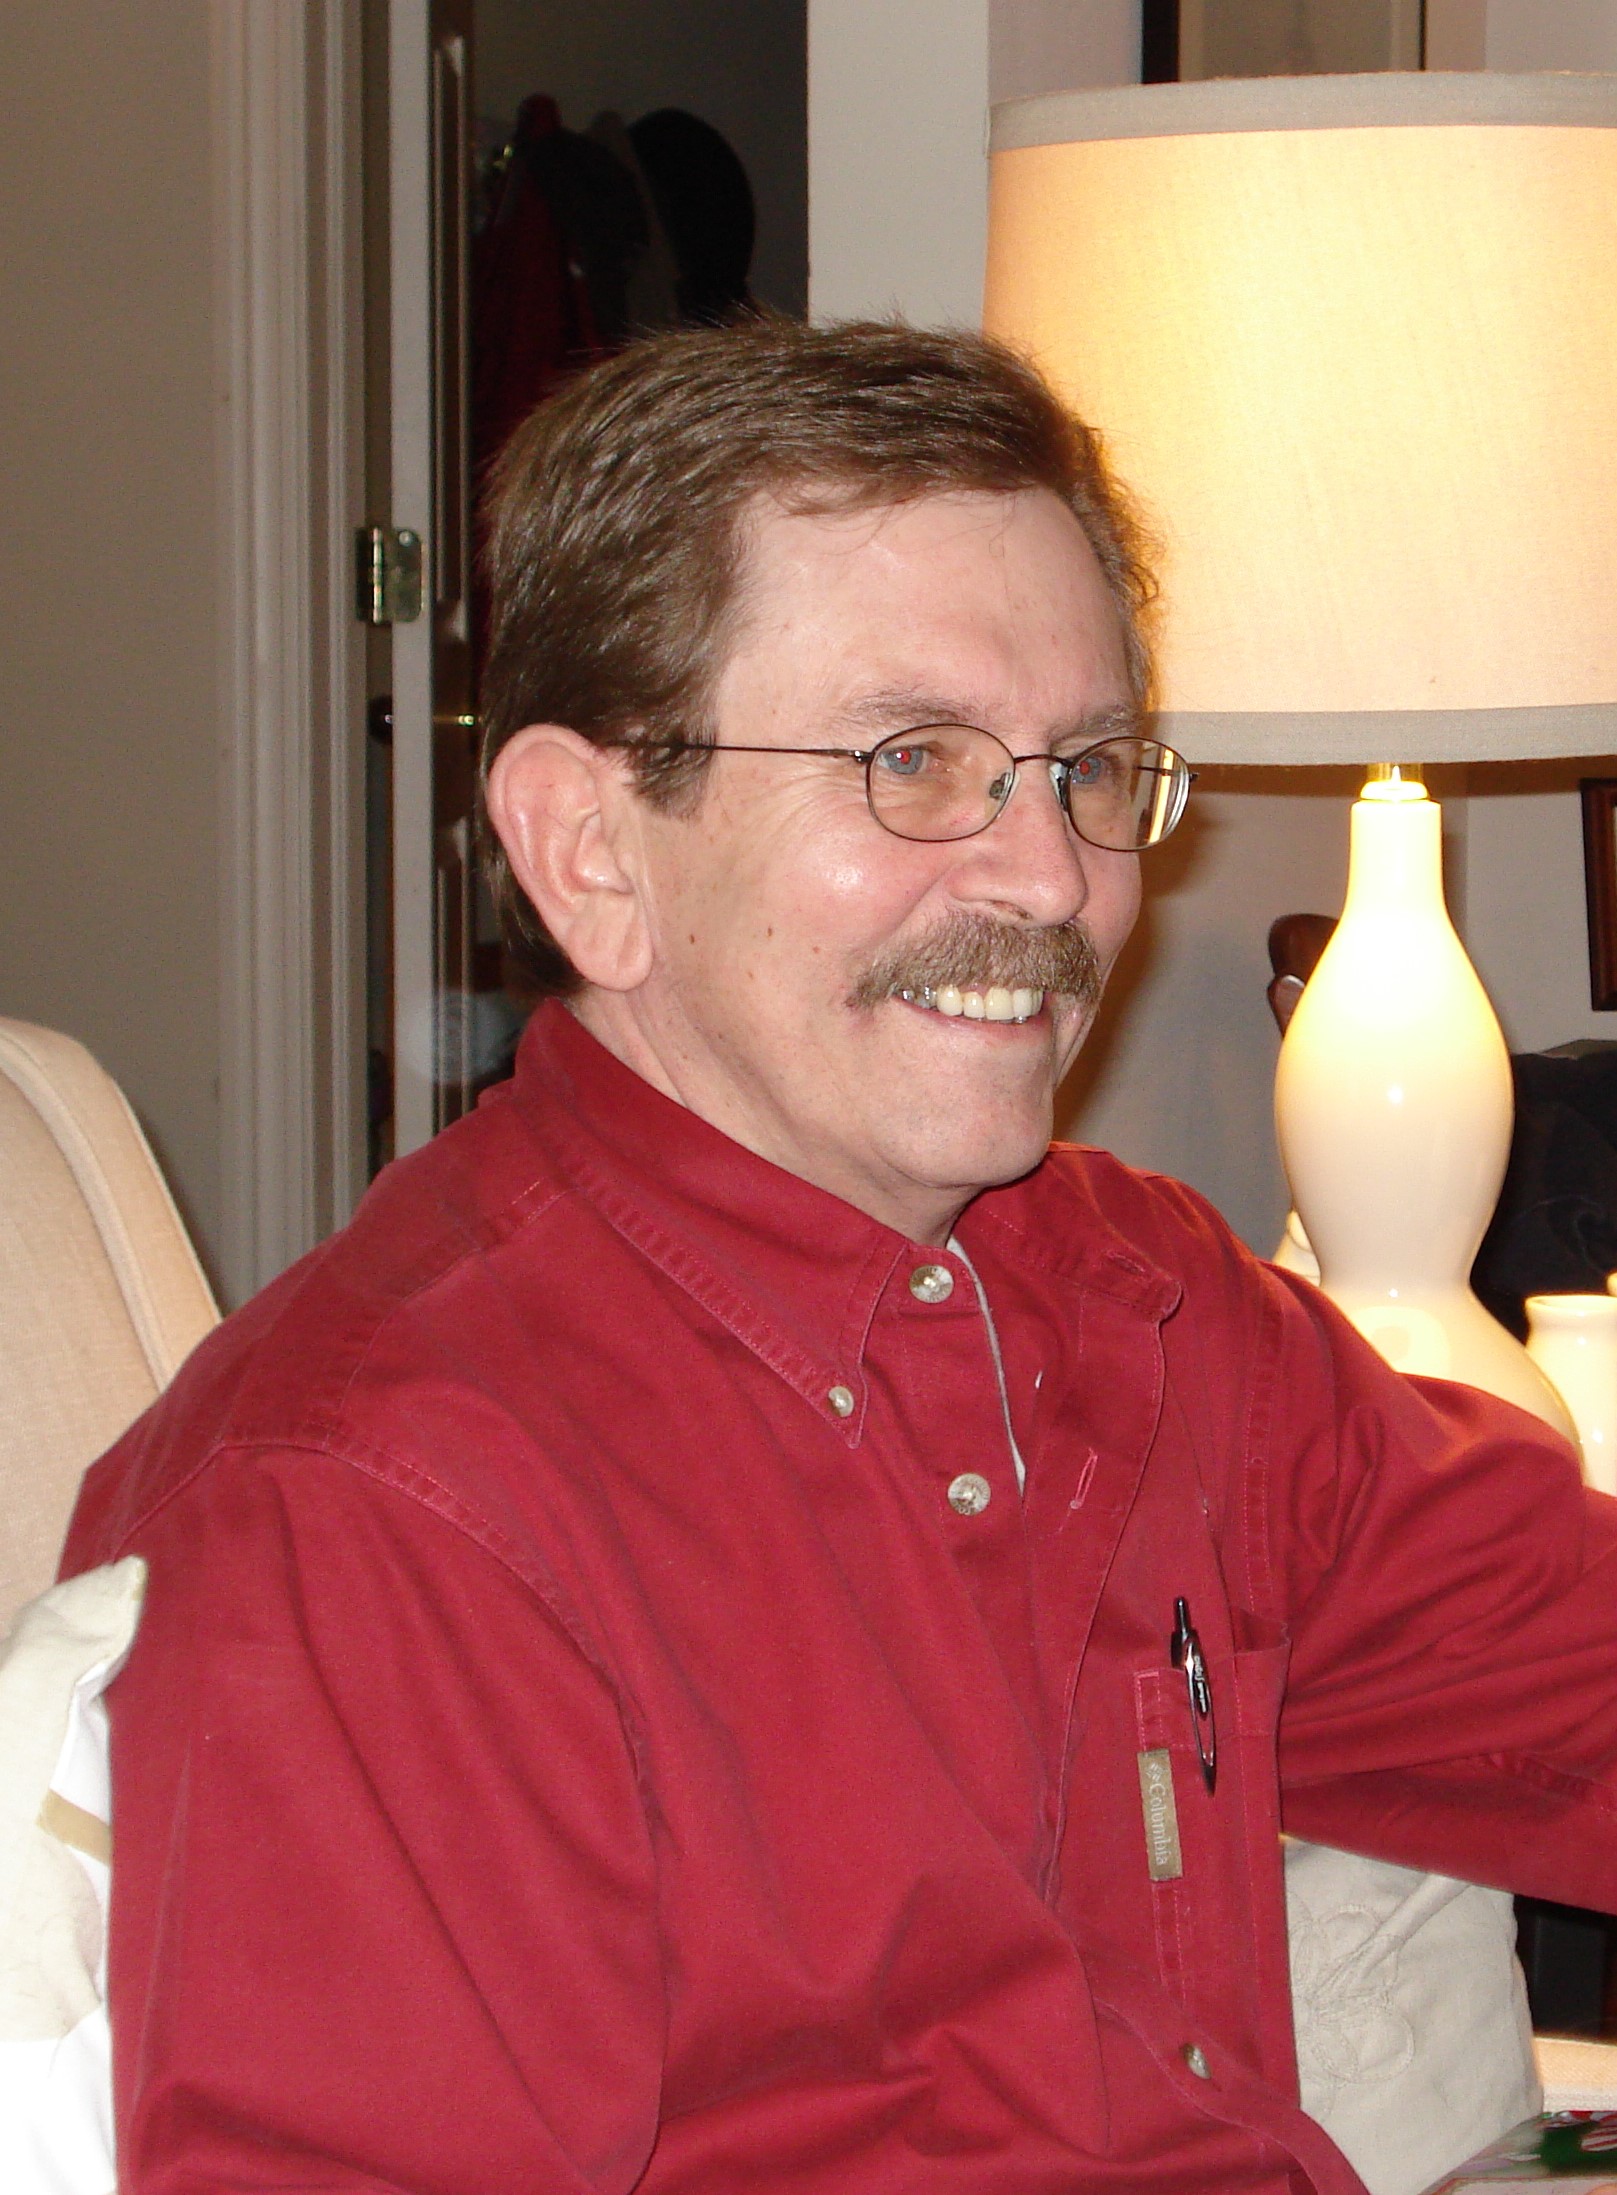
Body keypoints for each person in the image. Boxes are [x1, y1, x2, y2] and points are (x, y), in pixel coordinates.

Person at [64, 319, 1617, 2193]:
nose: (1050, 878)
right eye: (914, 759)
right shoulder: (367, 1514)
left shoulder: (1129, 1295)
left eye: (1087, 766)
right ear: (590, 850)